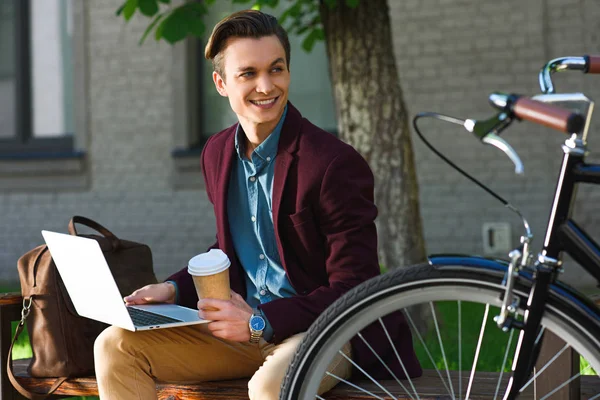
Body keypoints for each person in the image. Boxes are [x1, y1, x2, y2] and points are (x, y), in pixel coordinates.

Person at [94, 9, 421, 400]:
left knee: (268, 388)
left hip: (324, 332)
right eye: (248, 73)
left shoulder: (333, 164)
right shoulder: (215, 153)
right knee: (114, 345)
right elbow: (231, 248)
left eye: (276, 69)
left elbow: (356, 286)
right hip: (241, 331)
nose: (266, 86)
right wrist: (171, 289)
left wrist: (260, 322)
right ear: (221, 82)